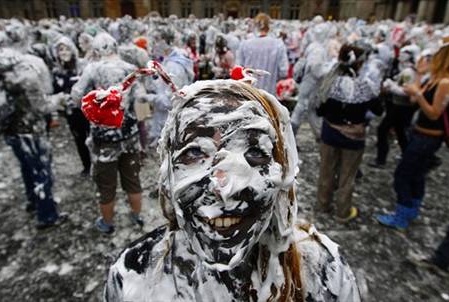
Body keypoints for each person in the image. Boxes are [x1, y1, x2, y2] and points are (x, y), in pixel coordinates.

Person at [104, 79, 360, 301]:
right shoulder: (133, 277)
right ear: (167, 174)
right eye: (194, 153)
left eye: (254, 153)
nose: (224, 188)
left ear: (282, 172)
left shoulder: (324, 273)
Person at [0, 48, 66, 229]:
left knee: (27, 167)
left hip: (10, 132)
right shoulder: (26, 78)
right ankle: (47, 215)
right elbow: (41, 107)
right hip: (32, 132)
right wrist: (59, 99)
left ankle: (32, 201)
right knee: (42, 172)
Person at [376, 36, 449, 230]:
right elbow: (416, 100)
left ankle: (402, 214)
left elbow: (433, 113)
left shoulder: (446, 83)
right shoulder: (437, 79)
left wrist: (417, 93)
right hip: (421, 133)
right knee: (417, 174)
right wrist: (419, 77)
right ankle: (411, 208)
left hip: (429, 136)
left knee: (404, 174)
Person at [71, 33, 145, 234]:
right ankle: (137, 216)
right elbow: (141, 98)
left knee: (106, 183)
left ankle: (107, 223)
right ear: (115, 46)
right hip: (129, 135)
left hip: (104, 138)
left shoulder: (92, 68)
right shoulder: (129, 69)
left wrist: (93, 105)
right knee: (132, 178)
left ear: (95, 50)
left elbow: (76, 96)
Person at [316, 43, 383, 222]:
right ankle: (342, 212)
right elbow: (378, 110)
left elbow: (319, 110)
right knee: (347, 176)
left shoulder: (330, 82)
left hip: (329, 134)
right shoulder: (365, 86)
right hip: (354, 138)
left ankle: (323, 204)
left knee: (326, 171)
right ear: (360, 63)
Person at [370, 45, 422, 168]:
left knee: (383, 130)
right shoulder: (409, 69)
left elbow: (406, 91)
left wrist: (391, 86)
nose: (400, 56)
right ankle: (407, 156)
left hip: (400, 106)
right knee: (400, 131)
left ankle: (381, 159)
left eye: (405, 53)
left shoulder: (409, 72)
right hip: (401, 106)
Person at [51, 36, 91, 176]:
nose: (64, 52)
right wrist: (61, 100)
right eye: (60, 49)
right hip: (72, 113)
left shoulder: (83, 66)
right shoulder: (57, 72)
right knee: (79, 139)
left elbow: (92, 85)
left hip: (88, 110)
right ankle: (87, 165)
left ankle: (99, 164)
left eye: (66, 48)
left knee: (94, 137)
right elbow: (54, 93)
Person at [236, 13, 288, 95]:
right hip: (269, 94)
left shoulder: (245, 44)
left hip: (249, 92)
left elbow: (239, 69)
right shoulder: (278, 44)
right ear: (269, 26)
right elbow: (283, 71)